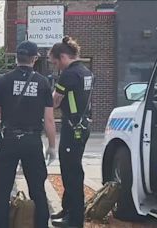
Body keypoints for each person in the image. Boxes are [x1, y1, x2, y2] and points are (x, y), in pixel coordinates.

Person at [0, 40, 57, 228]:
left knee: (2, 188)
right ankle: (41, 223)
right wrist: (52, 145)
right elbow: (49, 120)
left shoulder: (2, 81)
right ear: (34, 58)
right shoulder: (43, 83)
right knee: (37, 189)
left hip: (9, 140)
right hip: (32, 141)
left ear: (17, 57)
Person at [49, 36, 94, 228]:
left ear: (63, 57)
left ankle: (74, 219)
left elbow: (54, 101)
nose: (56, 66)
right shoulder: (86, 72)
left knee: (72, 173)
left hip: (72, 127)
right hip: (82, 125)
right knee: (71, 170)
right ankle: (68, 210)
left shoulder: (68, 75)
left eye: (55, 62)